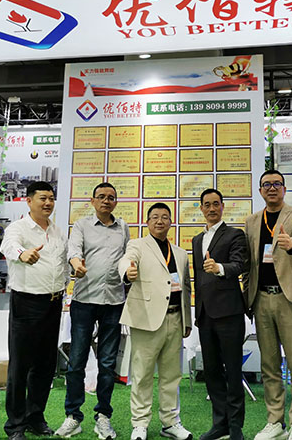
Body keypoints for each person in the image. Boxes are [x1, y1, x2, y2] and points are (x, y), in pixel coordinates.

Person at [243, 170, 292, 440]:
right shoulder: (251, 221)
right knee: (269, 366)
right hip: (261, 299)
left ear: (284, 188)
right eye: (266, 185)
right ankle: (275, 422)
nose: (271, 188)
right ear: (260, 190)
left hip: (290, 299)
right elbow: (249, 262)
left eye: (276, 184)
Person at [57, 182, 130, 439]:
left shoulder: (123, 228)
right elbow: (74, 251)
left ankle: (103, 417)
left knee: (107, 364)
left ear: (115, 202)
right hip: (84, 300)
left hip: (114, 301)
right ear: (93, 201)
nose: (106, 201)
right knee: (76, 361)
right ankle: (73, 416)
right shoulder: (82, 225)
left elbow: (127, 258)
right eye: (101, 197)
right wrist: (76, 264)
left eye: (111, 197)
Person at [0, 181, 69, 440]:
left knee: (45, 365)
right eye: (42, 198)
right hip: (26, 302)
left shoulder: (58, 232)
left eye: (51, 198)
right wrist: (22, 254)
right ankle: (15, 424)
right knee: (20, 366)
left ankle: (35, 417)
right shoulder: (17, 228)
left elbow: (62, 263)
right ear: (29, 201)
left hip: (53, 302)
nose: (48, 203)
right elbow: (8, 246)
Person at [118, 203, 193, 440]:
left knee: (172, 376)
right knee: (142, 374)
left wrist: (187, 321)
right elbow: (126, 260)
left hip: (175, 319)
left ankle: (170, 422)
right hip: (147, 319)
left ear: (170, 222)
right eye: (155, 217)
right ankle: (140, 424)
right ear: (148, 222)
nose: (160, 221)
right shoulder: (137, 245)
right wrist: (127, 272)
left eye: (164, 217)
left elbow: (186, 288)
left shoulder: (180, 253)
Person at [192, 188, 247, 440]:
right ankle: (220, 423)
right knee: (212, 372)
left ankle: (235, 428)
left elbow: (239, 265)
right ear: (201, 208)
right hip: (205, 314)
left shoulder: (235, 234)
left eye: (216, 204)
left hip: (229, 313)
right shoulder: (196, 240)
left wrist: (219, 268)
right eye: (207, 204)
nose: (211, 208)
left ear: (223, 206)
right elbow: (198, 278)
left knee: (233, 371)